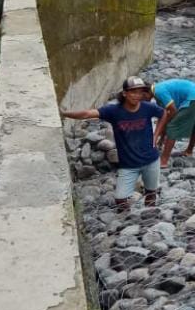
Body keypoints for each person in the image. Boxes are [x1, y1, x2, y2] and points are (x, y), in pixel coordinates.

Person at [61, 76, 163, 210]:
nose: (137, 95)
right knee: (120, 199)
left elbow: (165, 114)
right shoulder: (113, 111)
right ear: (125, 93)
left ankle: (150, 215)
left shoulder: (148, 107)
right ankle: (126, 217)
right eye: (133, 92)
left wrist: (157, 134)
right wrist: (64, 113)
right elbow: (87, 114)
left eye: (140, 92)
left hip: (151, 160)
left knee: (151, 192)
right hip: (129, 165)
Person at [149, 78, 195, 168]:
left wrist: (155, 136)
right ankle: (189, 151)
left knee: (173, 127)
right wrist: (159, 140)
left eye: (141, 97)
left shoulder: (159, 92)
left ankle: (163, 161)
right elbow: (163, 116)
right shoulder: (158, 88)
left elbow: (172, 110)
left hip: (192, 97)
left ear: (146, 93)